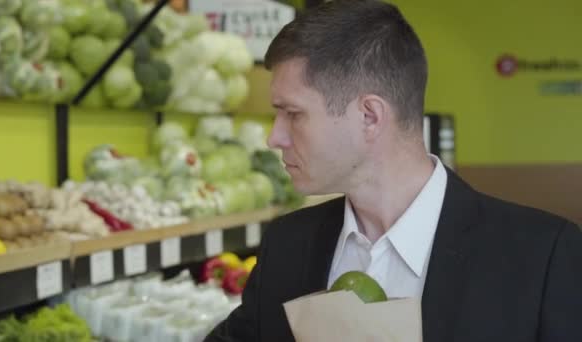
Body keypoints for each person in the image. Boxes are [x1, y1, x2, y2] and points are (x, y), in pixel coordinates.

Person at [204, 1, 582, 341]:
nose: (275, 137)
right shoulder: (287, 245)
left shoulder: (544, 256)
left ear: (369, 116)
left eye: (293, 114)